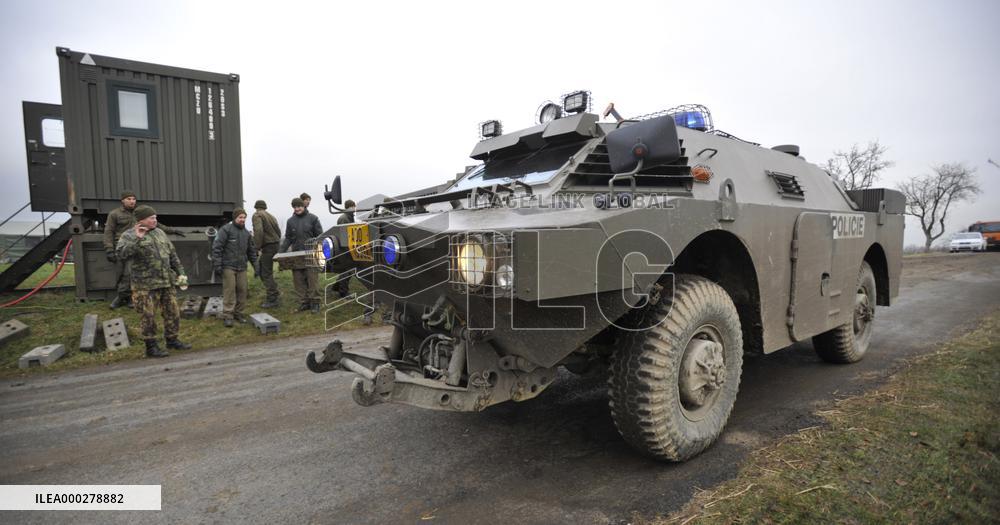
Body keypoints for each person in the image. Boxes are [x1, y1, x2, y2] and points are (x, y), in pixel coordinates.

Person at [116, 205, 191, 358]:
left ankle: (172, 340)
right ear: (141, 220)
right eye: (152, 218)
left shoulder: (160, 233)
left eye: (155, 217)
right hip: (145, 285)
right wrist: (137, 239)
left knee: (173, 312)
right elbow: (122, 255)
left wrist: (180, 272)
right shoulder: (129, 235)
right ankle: (151, 347)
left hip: (166, 282)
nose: (155, 220)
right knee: (148, 316)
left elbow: (172, 254)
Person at [103, 190, 184, 309]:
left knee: (131, 274)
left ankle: (131, 298)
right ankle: (121, 297)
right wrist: (109, 249)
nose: (132, 201)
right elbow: (108, 232)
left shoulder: (141, 213)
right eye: (129, 199)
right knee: (122, 275)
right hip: (124, 246)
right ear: (123, 201)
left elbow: (157, 225)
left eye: (133, 199)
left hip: (141, 247)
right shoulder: (115, 214)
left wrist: (173, 230)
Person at [213, 209, 258, 328]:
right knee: (230, 290)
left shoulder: (247, 234)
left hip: (242, 266)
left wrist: (256, 267)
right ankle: (228, 315)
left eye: (244, 217)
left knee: (243, 290)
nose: (242, 219)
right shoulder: (225, 230)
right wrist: (217, 265)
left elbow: (251, 251)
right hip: (228, 266)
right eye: (240, 217)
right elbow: (217, 248)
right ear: (235, 218)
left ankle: (239, 313)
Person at [281, 197, 323, 313]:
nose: (297, 208)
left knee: (312, 280)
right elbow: (288, 238)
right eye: (295, 207)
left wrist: (319, 250)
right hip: (296, 255)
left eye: (299, 206)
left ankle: (315, 303)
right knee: (298, 280)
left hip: (311, 254)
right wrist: (281, 251)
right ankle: (304, 303)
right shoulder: (290, 221)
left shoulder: (313, 218)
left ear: (303, 206)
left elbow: (320, 236)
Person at [252, 200, 282, 308]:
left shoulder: (257, 215)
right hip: (275, 245)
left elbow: (258, 231)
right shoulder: (271, 216)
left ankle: (272, 298)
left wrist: (256, 247)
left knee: (265, 273)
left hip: (267, 246)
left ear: (256, 207)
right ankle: (274, 291)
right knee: (261, 268)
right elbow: (278, 231)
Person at [333, 199, 357, 299]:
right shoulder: (344, 218)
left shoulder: (349, 217)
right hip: (345, 249)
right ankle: (343, 293)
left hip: (347, 248)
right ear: (350, 207)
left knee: (347, 270)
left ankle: (336, 287)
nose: (355, 209)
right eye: (354, 206)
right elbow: (344, 235)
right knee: (347, 271)